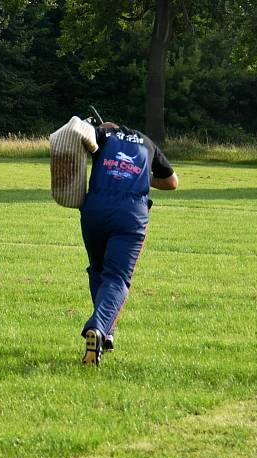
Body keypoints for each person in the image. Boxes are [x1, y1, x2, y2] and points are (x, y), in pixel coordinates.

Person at [80, 122, 178, 365]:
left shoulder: (103, 135)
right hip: (130, 215)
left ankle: (106, 331)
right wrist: (139, 173)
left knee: (98, 270)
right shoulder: (147, 143)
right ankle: (99, 327)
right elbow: (172, 181)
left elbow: (74, 137)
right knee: (117, 278)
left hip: (94, 211)